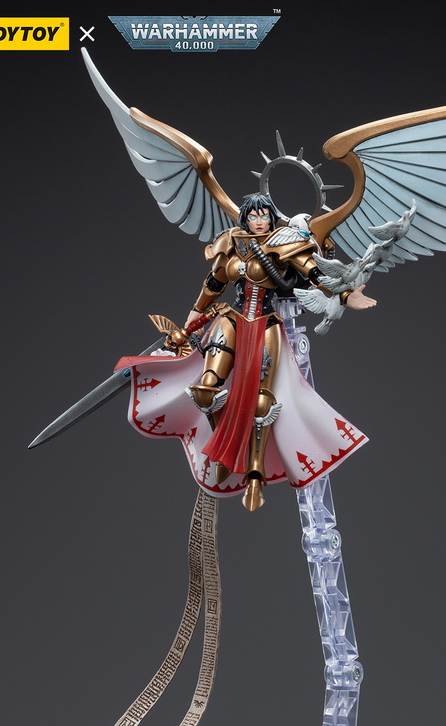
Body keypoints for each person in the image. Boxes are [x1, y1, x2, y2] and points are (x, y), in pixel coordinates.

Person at [126, 195, 373, 511]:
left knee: (262, 402)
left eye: (264, 215)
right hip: (231, 319)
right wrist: (195, 312)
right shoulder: (231, 241)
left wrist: (346, 294)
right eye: (253, 215)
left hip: (266, 325)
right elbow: (214, 282)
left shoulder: (283, 243)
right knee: (204, 389)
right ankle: (224, 450)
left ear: (271, 217)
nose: (259, 221)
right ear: (245, 218)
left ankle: (255, 475)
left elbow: (315, 273)